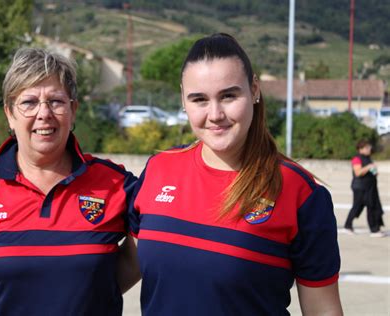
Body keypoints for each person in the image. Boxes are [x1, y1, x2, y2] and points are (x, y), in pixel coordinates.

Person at [128, 33, 343, 315]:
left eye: (229, 95)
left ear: (254, 90)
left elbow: (323, 310)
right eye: (199, 99)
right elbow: (115, 273)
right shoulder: (159, 169)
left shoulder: (299, 192)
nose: (215, 114)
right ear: (183, 98)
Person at [0, 47, 139, 315]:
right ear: (9, 114)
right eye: (29, 102)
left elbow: (143, 254)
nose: (44, 113)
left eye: (56, 101)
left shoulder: (115, 183)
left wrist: (96, 292)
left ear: (73, 110)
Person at [344, 139, 385, 237]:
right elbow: (358, 172)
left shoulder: (368, 158)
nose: (369, 149)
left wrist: (374, 171)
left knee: (373, 206)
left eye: (369, 147)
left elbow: (371, 171)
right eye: (367, 147)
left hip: (370, 188)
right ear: (360, 149)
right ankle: (349, 226)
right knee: (357, 207)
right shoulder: (357, 159)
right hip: (360, 187)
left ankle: (375, 228)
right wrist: (368, 167)